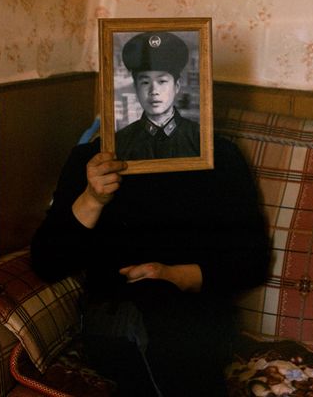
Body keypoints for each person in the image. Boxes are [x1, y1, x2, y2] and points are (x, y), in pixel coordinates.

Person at [31, 130, 271, 396]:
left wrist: (175, 276)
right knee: (153, 326)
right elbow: (46, 262)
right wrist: (91, 199)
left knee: (168, 324)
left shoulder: (222, 156)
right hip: (116, 314)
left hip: (197, 316)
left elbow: (254, 260)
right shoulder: (90, 160)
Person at [115, 31, 200, 160]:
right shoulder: (120, 141)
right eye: (145, 82)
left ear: (176, 86)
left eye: (162, 81)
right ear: (136, 87)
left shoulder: (199, 138)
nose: (154, 91)